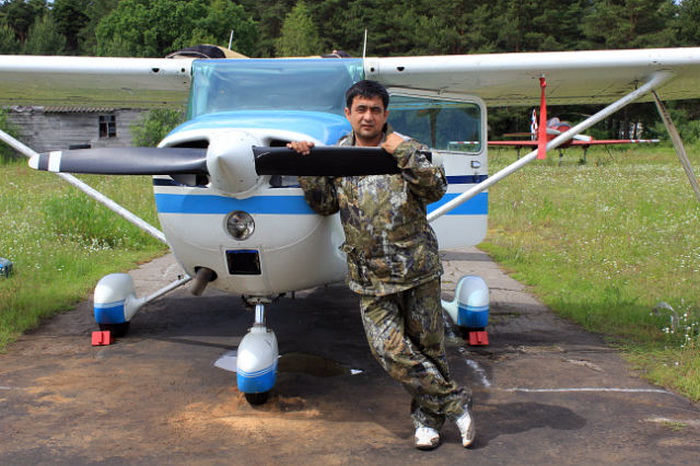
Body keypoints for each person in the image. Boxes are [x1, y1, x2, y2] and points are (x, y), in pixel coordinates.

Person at [287, 80, 474, 450]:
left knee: (428, 349)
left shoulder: (407, 148)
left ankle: (427, 423)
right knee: (388, 351)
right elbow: (324, 204)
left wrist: (403, 153)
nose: (368, 116)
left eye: (375, 109)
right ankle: (455, 401)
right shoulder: (336, 156)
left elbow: (435, 189)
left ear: (386, 114)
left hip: (417, 269)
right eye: (361, 109)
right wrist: (306, 164)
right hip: (370, 275)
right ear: (348, 114)